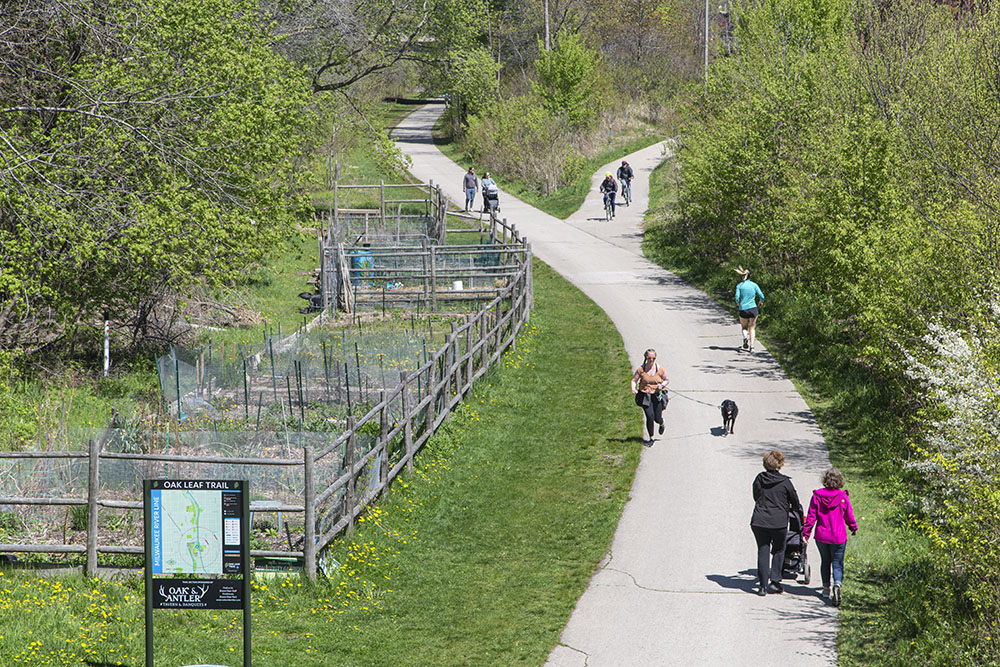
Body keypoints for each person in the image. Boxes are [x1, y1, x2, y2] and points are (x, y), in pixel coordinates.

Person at [802, 468, 858, 607]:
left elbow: (811, 516)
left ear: (825, 480)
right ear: (840, 481)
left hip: (822, 536)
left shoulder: (817, 496)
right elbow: (848, 515)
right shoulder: (843, 497)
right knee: (838, 563)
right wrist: (853, 527)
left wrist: (806, 533)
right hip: (838, 536)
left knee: (825, 561)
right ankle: (837, 585)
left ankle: (826, 588)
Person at [750, 450, 802, 596]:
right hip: (778, 522)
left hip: (759, 520)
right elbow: (795, 502)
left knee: (763, 550)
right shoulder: (785, 482)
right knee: (779, 550)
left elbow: (756, 496)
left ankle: (762, 586)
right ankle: (775, 581)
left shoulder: (759, 478)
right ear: (780, 464)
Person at [630, 348, 669, 446]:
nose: (651, 360)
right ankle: (651, 438)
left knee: (657, 418)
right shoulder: (641, 369)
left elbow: (666, 379)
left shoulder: (660, 369)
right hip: (645, 396)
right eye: (649, 357)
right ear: (645, 357)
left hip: (657, 395)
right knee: (650, 417)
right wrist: (633, 389)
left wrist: (662, 385)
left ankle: (661, 423)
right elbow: (634, 380)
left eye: (653, 358)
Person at [734, 266, 764, 353]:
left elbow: (737, 297)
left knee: (744, 327)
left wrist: (738, 303)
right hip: (753, 308)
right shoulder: (754, 285)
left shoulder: (739, 286)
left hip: (743, 309)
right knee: (752, 327)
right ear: (750, 276)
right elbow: (761, 295)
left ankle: (745, 337)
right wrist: (760, 301)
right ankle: (752, 346)